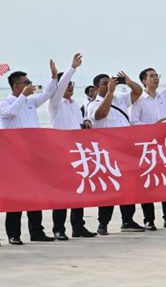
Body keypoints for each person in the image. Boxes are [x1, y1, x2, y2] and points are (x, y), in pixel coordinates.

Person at [1, 60, 60, 245]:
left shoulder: (31, 102)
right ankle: (13, 234)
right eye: (27, 83)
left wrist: (53, 77)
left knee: (35, 196)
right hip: (15, 158)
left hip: (34, 156)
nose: (30, 86)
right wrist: (22, 97)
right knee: (17, 198)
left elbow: (49, 93)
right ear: (17, 86)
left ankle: (37, 232)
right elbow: (10, 113)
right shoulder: (5, 103)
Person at [130, 45, 166, 230]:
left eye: (157, 75)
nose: (156, 78)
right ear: (144, 81)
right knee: (148, 183)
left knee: (165, 182)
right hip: (145, 147)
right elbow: (132, 123)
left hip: (163, 146)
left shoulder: (162, 95)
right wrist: (152, 128)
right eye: (152, 76)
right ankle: (149, 219)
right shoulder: (138, 100)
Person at [87, 70, 145, 233]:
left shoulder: (120, 99)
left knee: (129, 187)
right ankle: (103, 223)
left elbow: (138, 92)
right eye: (104, 83)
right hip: (107, 153)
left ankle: (128, 221)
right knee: (109, 189)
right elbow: (101, 114)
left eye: (110, 82)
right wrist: (110, 92)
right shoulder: (93, 104)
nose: (109, 85)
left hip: (125, 151)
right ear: (97, 88)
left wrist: (128, 81)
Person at [48, 53, 97, 239]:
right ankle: (58, 229)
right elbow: (59, 88)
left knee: (79, 192)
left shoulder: (75, 104)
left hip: (78, 153)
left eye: (72, 84)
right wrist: (72, 68)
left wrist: (85, 122)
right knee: (61, 195)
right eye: (67, 84)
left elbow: (79, 122)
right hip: (60, 154)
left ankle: (78, 227)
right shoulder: (54, 104)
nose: (70, 87)